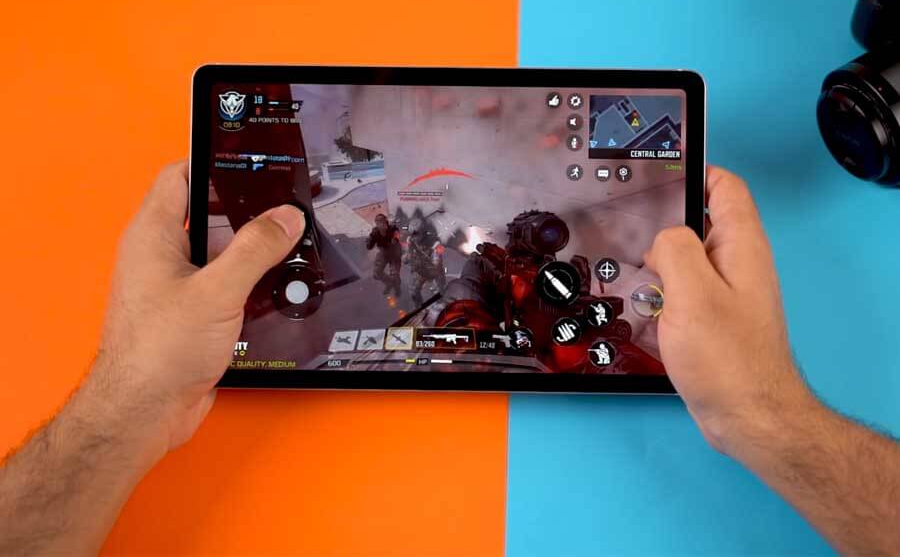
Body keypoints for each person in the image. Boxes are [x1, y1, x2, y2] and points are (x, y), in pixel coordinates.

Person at [0, 162, 898, 554]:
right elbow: (462, 295)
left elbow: (522, 303)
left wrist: (759, 413)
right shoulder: (476, 265)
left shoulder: (525, 273)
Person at [365, 213, 402, 297]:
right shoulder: (375, 232)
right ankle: (389, 283)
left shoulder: (392, 228)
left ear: (386, 222)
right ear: (377, 224)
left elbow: (397, 234)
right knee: (377, 273)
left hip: (394, 253)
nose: (381, 225)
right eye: (379, 223)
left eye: (383, 222)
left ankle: (397, 288)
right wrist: (369, 240)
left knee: (395, 273)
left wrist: (395, 239)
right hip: (383, 253)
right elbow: (369, 246)